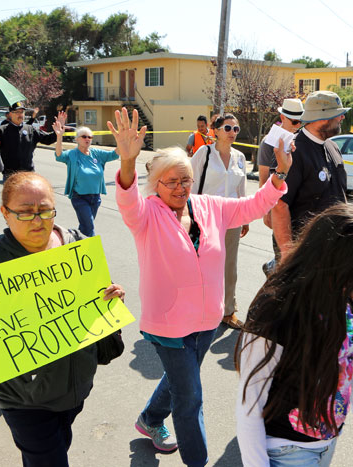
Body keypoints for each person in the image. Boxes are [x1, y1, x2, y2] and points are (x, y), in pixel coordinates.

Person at [110, 107, 291, 466]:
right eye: (171, 182)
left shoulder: (210, 207)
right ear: (156, 184)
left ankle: (149, 418)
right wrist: (127, 162)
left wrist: (280, 172)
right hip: (168, 326)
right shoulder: (146, 214)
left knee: (182, 381)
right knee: (190, 396)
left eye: (185, 180)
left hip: (207, 321)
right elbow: (126, 198)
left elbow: (254, 205)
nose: (179, 188)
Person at [0, 171, 125, 466]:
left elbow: (97, 301)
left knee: (58, 446)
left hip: (75, 388)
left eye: (45, 211)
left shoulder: (75, 244)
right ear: (5, 213)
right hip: (25, 401)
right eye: (26, 213)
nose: (38, 220)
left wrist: (112, 297)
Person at [236, 203, 353, 467]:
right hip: (286, 451)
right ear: (334, 264)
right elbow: (249, 404)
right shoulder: (275, 308)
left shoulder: (343, 296)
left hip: (325, 444)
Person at [271, 90, 349, 262]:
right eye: (338, 114)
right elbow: (279, 205)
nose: (342, 118)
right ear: (321, 118)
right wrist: (287, 255)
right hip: (304, 255)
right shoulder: (293, 151)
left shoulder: (333, 147)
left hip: (332, 251)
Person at [192, 114, 248, 328]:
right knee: (203, 264)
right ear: (215, 131)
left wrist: (245, 217)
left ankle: (228, 311)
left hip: (232, 216)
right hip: (205, 216)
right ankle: (201, 308)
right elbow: (190, 183)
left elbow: (240, 189)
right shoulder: (204, 154)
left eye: (236, 129)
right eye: (227, 128)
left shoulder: (240, 158)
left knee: (229, 266)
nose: (232, 133)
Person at [52, 123, 119, 237]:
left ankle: (74, 239)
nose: (87, 139)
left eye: (90, 137)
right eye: (84, 137)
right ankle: (92, 250)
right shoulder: (72, 154)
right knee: (89, 226)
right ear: (77, 139)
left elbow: (115, 154)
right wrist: (59, 137)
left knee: (85, 227)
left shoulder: (97, 153)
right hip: (79, 197)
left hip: (95, 198)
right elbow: (59, 155)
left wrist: (119, 140)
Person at [0, 102, 66, 180]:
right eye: (17, 112)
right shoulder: (2, 131)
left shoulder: (30, 129)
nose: (20, 114)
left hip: (29, 174)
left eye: (22, 112)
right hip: (10, 176)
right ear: (10, 114)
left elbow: (48, 140)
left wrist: (58, 130)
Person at [258, 99, 304, 229]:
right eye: (294, 121)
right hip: (278, 204)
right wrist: (265, 210)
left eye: (301, 122)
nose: (297, 125)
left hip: (298, 206)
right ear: (282, 117)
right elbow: (263, 178)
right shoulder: (268, 142)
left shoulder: (301, 140)